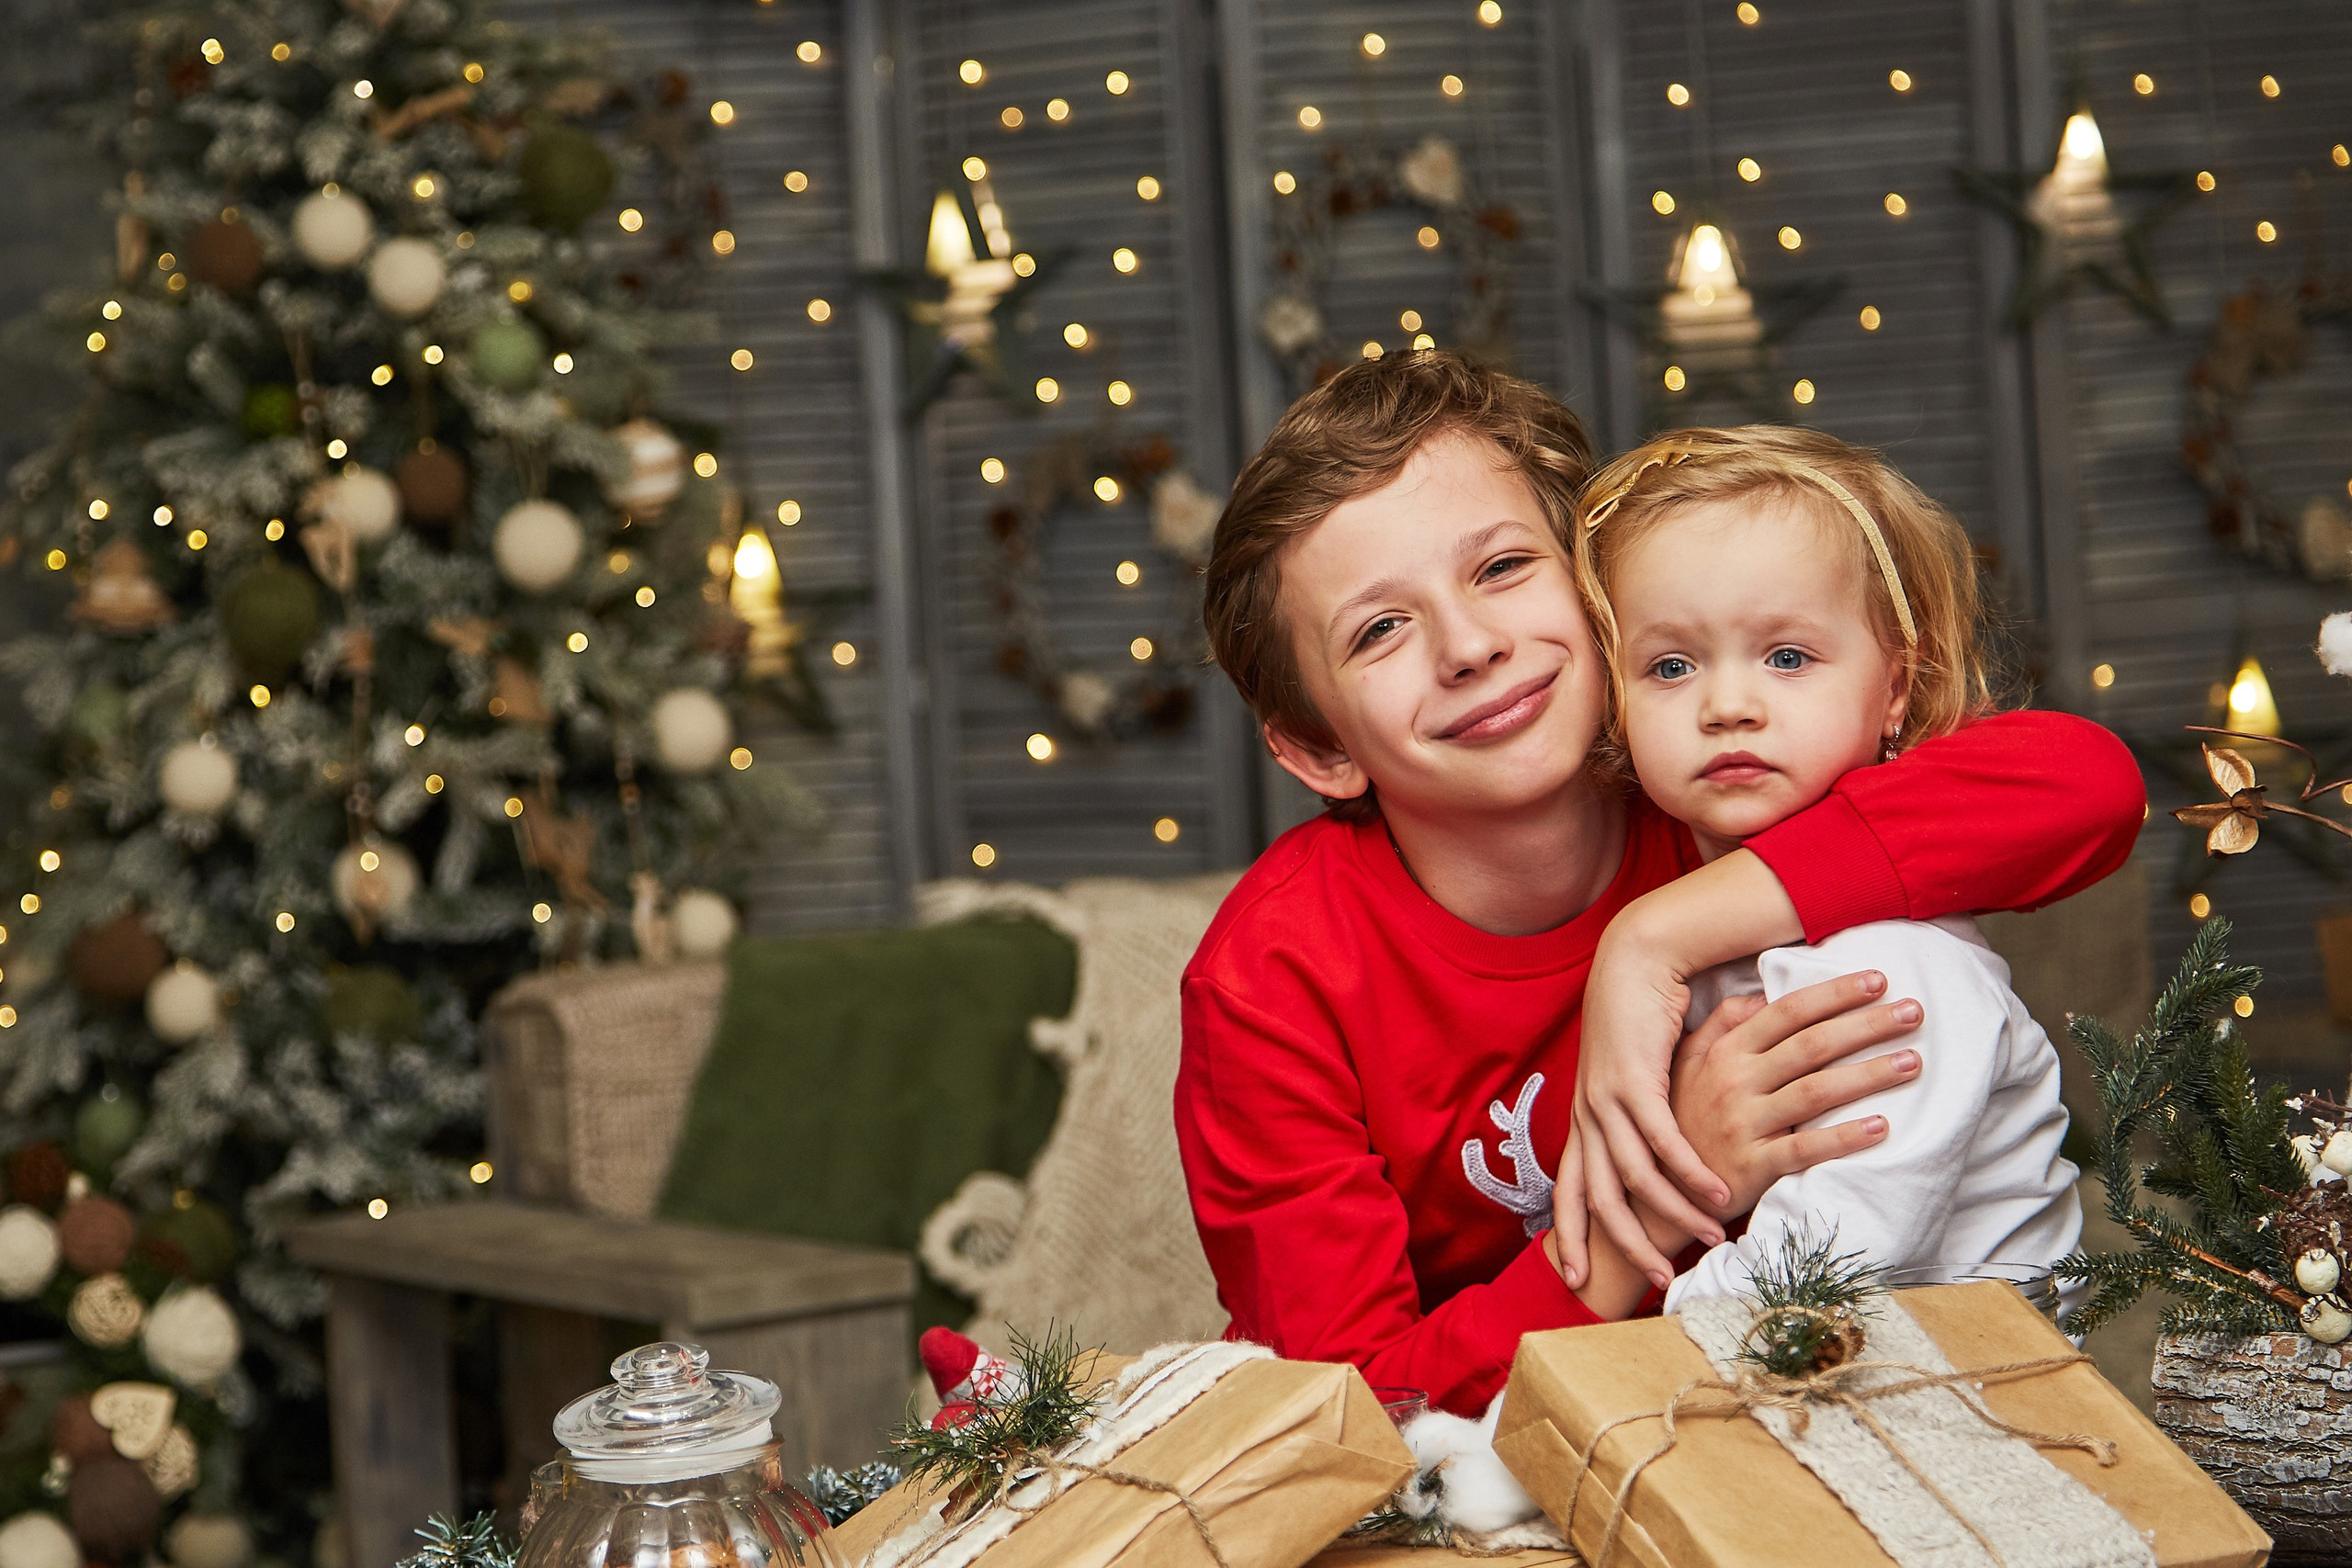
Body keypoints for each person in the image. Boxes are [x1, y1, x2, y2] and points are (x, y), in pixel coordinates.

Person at [1175, 351, 2143, 1415]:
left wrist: (1657, 936)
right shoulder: (1268, 981)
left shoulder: (1721, 784)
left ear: (1598, 595)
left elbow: (2084, 785)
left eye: (1500, 569)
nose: (1469, 646)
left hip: (1749, 1417)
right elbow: (1342, 1405)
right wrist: (1666, 1182)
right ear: (1320, 749)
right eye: (1378, 630)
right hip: (1494, 1450)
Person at [1581, 425, 2079, 1311]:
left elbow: (1840, 1250)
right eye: (1670, 666)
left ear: (1894, 688)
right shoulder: (1682, 897)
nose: (1728, 705)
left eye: (1787, 657)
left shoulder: (1895, 963)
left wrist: (1638, 1351)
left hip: (1964, 1383)